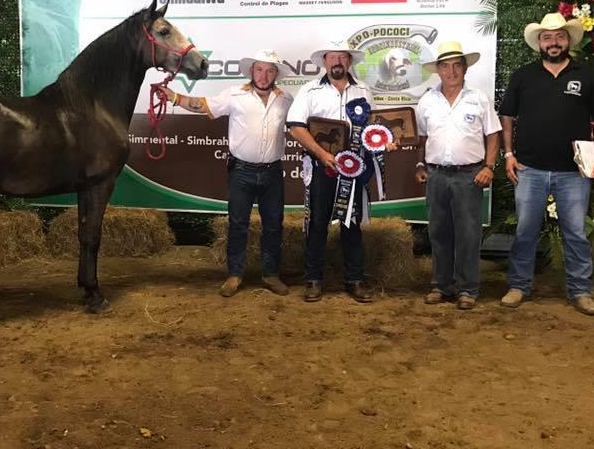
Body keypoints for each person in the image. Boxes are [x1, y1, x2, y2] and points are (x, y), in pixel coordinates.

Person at [499, 13, 594, 316]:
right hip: (529, 170)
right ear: (539, 42)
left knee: (575, 232)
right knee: (525, 231)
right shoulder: (523, 75)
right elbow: (507, 117)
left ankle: (580, 291)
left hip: (574, 172)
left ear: (568, 40)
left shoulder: (586, 75)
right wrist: (508, 154)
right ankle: (518, 286)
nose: (554, 42)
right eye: (547, 37)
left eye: (559, 36)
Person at [161, 51, 293, 297]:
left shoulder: (286, 99)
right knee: (238, 224)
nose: (264, 76)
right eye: (259, 69)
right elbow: (203, 105)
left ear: (276, 74)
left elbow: (301, 125)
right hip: (241, 171)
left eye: (270, 70)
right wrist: (175, 97)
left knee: (274, 225)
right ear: (252, 71)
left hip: (272, 172)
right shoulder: (234, 95)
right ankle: (235, 275)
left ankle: (271, 274)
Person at [287, 41, 397, 303]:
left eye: (342, 57)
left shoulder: (364, 91)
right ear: (325, 61)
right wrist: (322, 154)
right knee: (317, 223)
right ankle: (313, 280)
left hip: (354, 170)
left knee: (352, 224)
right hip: (321, 167)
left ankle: (354, 280)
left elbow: (373, 130)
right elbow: (295, 127)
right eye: (332, 57)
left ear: (349, 61)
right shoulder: (309, 90)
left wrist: (385, 143)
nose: (337, 61)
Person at [415, 41, 500, 310]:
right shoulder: (427, 100)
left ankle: (467, 289)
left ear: (465, 68)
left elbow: (493, 134)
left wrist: (489, 166)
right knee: (439, 232)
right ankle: (441, 286)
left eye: (456, 65)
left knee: (468, 234)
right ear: (438, 70)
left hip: (469, 175)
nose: (451, 71)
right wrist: (420, 164)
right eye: (445, 66)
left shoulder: (480, 98)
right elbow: (422, 137)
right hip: (436, 175)